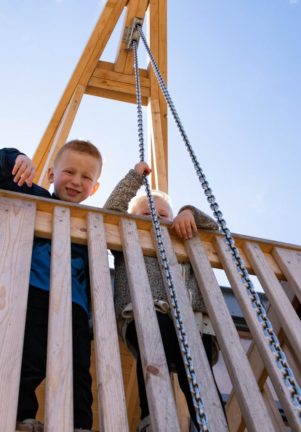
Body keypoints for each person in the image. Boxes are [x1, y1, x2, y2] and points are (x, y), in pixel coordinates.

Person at [0, 140, 102, 432]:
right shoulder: (35, 195)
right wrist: (14, 159)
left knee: (77, 369)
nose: (76, 181)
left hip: (76, 307)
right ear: (50, 174)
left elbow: (94, 278)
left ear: (94, 188)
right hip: (34, 292)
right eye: (69, 171)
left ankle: (78, 424)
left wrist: (94, 317)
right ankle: (20, 416)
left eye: (86, 177)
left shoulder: (92, 224)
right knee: (29, 356)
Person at [104, 161, 221, 432]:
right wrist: (134, 178)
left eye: (164, 213)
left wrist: (188, 212)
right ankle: (154, 420)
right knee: (153, 355)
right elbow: (111, 211)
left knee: (199, 374)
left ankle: (212, 423)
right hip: (144, 311)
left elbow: (214, 231)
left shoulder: (184, 238)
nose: (156, 217)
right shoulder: (127, 236)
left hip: (192, 319)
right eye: (147, 212)